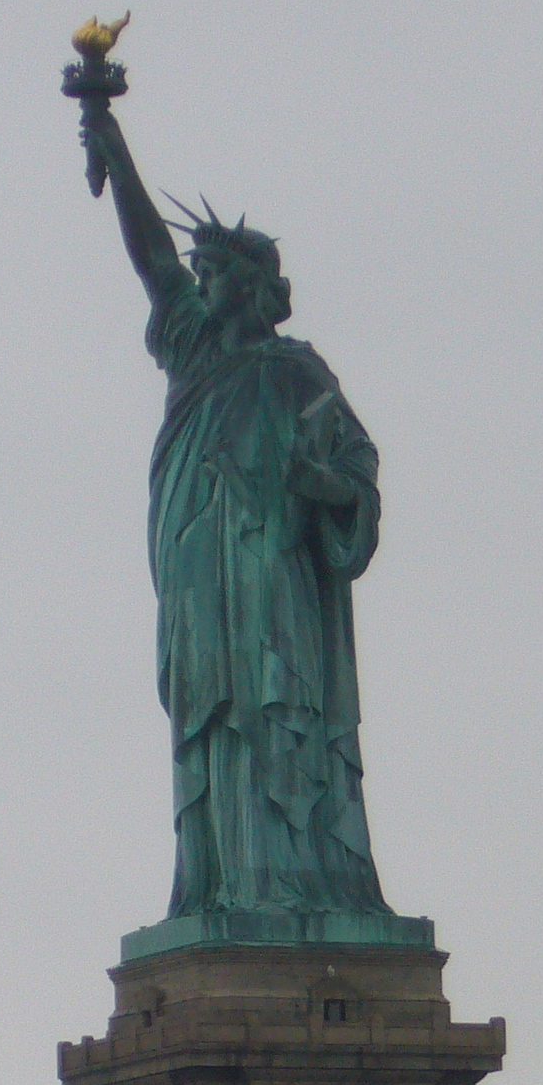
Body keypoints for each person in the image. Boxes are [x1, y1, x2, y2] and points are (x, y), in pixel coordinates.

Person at [77, 94, 394, 922]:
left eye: (217, 276)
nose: (202, 285)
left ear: (254, 291)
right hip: (197, 565)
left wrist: (324, 489)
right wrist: (112, 143)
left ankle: (295, 883)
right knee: (213, 719)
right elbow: (152, 255)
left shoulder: (298, 373)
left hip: (273, 569)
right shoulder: (190, 348)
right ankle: (222, 885)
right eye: (203, 276)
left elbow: (357, 470)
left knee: (275, 710)